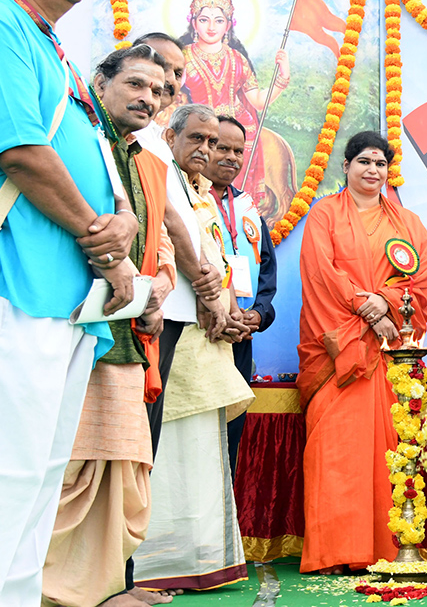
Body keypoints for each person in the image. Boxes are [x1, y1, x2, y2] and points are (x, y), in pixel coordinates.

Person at [0, 0, 136, 606]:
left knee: (34, 480)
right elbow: (19, 152)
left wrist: (120, 221)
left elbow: (90, 155)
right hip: (7, 286)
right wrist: (104, 242)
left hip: (64, 303)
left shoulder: (53, 46)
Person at [42, 45, 171, 607]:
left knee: (119, 464)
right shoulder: (78, 136)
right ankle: (49, 589)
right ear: (100, 80)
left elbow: (155, 235)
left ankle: (99, 588)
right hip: (71, 323)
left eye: (160, 91)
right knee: (68, 467)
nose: (149, 98)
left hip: (124, 332)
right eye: (137, 84)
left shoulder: (139, 156)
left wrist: (158, 286)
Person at [298, 131, 427, 574]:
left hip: (388, 352)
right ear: (346, 166)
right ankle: (336, 551)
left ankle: (384, 547)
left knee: (386, 453)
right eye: (363, 161)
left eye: (380, 163)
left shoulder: (407, 223)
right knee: (336, 452)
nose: (372, 170)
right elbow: (320, 274)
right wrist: (365, 306)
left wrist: (387, 304)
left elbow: (417, 280)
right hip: (339, 351)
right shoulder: (324, 215)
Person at [132, 104, 254, 591]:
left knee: (201, 449)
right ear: (171, 135)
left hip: (206, 337)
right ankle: (153, 564)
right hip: (170, 327)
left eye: (216, 142)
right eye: (200, 140)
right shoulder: (158, 169)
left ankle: (198, 560)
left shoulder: (200, 192)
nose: (206, 150)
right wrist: (212, 300)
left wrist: (228, 311)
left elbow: (219, 262)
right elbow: (173, 244)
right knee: (164, 448)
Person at [180, 0, 291, 215]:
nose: (211, 27)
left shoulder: (237, 59)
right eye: (204, 20)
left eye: (219, 21)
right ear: (194, 22)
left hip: (240, 135)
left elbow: (258, 102)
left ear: (228, 25)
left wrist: (281, 77)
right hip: (201, 132)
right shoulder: (184, 56)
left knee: (236, 204)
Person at [205, 114, 278, 473]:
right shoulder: (190, 200)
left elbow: (267, 273)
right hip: (202, 333)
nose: (232, 157)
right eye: (222, 147)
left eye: (238, 150)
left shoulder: (247, 207)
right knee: (198, 434)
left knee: (230, 439)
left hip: (241, 338)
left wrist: (259, 314)